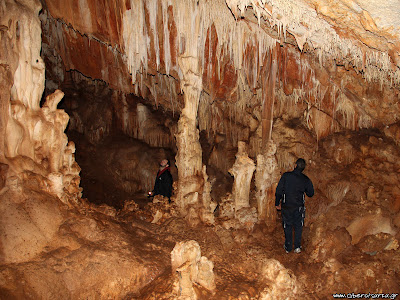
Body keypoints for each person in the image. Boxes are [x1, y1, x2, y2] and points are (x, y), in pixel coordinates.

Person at [275, 158, 314, 254]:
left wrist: (277, 203)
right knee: (298, 226)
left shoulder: (286, 176)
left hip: (287, 206)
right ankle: (297, 247)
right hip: (298, 207)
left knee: (287, 226)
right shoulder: (305, 179)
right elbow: (311, 193)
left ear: (295, 165)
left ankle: (288, 247)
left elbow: (279, 190)